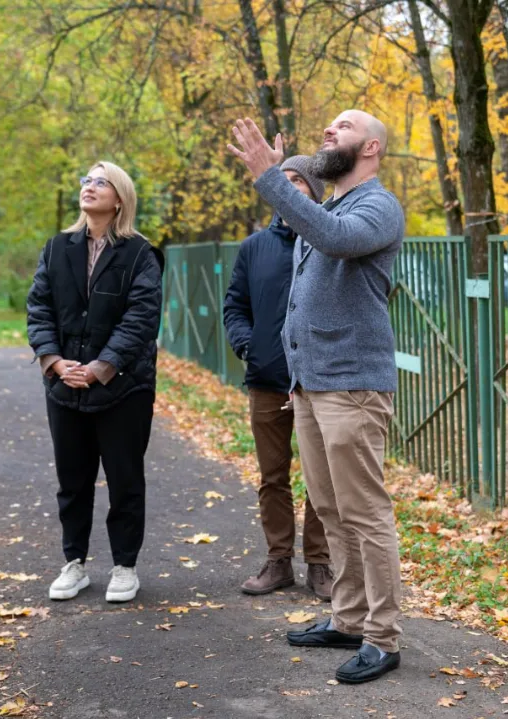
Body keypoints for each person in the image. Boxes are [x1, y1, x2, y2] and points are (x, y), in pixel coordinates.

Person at [227, 111, 405, 684]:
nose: (330, 131)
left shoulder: (376, 207)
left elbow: (336, 242)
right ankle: (349, 617)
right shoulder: (328, 207)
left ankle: (382, 637)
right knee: (330, 511)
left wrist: (270, 178)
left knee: (365, 513)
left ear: (371, 147)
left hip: (352, 385)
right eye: (328, 126)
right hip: (310, 387)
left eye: (344, 127)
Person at [26, 161, 164, 604]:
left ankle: (124, 566)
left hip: (124, 387)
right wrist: (54, 361)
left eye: (100, 181)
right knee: (73, 478)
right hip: (64, 385)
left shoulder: (141, 254)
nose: (89, 186)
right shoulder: (56, 248)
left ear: (119, 198)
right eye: (86, 180)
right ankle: (74, 563)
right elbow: (39, 307)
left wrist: (102, 366)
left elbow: (141, 317)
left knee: (124, 478)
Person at [223, 155, 334, 600]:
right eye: (282, 180)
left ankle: (321, 565)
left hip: (317, 382)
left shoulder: (328, 243)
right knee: (273, 476)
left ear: (314, 191)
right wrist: (249, 346)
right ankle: (278, 561)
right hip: (267, 379)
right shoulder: (254, 248)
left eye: (299, 181)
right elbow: (235, 305)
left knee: (320, 477)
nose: (289, 188)